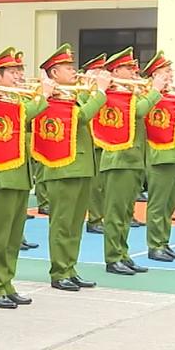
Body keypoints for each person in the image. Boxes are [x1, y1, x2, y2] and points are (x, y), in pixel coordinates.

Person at [0, 49, 49, 308]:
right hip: (1, 176)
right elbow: (26, 115)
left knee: (14, 236)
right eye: (13, 72)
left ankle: (7, 282)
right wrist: (45, 96)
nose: (19, 77)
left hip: (19, 176)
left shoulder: (14, 99)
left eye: (20, 72)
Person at [37, 45, 109, 291]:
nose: (75, 71)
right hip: (63, 166)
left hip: (81, 166)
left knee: (76, 222)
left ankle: (70, 267)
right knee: (62, 223)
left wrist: (90, 90)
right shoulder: (53, 96)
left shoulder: (72, 94)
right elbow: (81, 117)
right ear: (54, 72)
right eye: (69, 68)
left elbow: (82, 111)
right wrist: (99, 92)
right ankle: (59, 271)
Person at [98, 48, 165, 275]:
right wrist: (155, 91)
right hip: (119, 160)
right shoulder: (113, 93)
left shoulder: (129, 91)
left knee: (126, 213)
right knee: (116, 213)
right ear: (116, 70)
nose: (134, 72)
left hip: (133, 159)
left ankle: (123, 254)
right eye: (128, 68)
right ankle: (113, 257)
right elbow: (138, 112)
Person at [141, 52, 175, 262]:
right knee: (158, 204)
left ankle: (164, 241)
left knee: (170, 204)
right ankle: (154, 245)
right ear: (155, 75)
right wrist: (156, 89)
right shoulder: (148, 94)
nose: (171, 75)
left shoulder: (171, 93)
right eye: (166, 72)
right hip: (159, 154)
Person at [79, 53, 109, 235]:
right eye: (98, 71)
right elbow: (84, 112)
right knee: (95, 187)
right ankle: (94, 219)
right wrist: (93, 90)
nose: (102, 75)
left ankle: (100, 216)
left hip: (102, 141)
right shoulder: (82, 93)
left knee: (102, 185)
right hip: (90, 143)